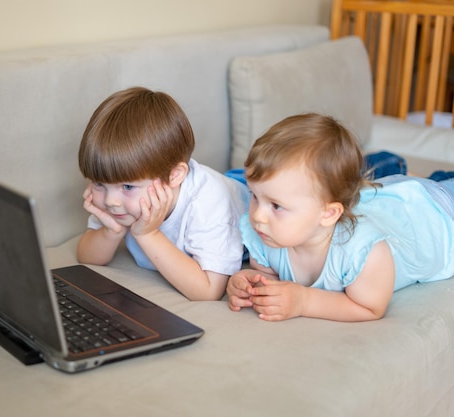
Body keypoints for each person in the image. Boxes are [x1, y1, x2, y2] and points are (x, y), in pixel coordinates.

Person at [226, 113, 454, 322]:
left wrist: (304, 301)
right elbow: (268, 276)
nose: (257, 215)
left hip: (436, 213)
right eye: (254, 195)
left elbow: (370, 308)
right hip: (389, 202)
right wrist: (250, 283)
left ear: (328, 214)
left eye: (276, 205)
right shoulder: (266, 236)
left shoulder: (363, 251)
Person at [77, 87, 249, 301]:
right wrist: (111, 232)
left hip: (248, 194)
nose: (111, 202)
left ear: (174, 176)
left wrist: (148, 234)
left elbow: (208, 291)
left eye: (128, 187)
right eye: (98, 183)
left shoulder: (209, 203)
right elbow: (87, 257)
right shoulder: (118, 199)